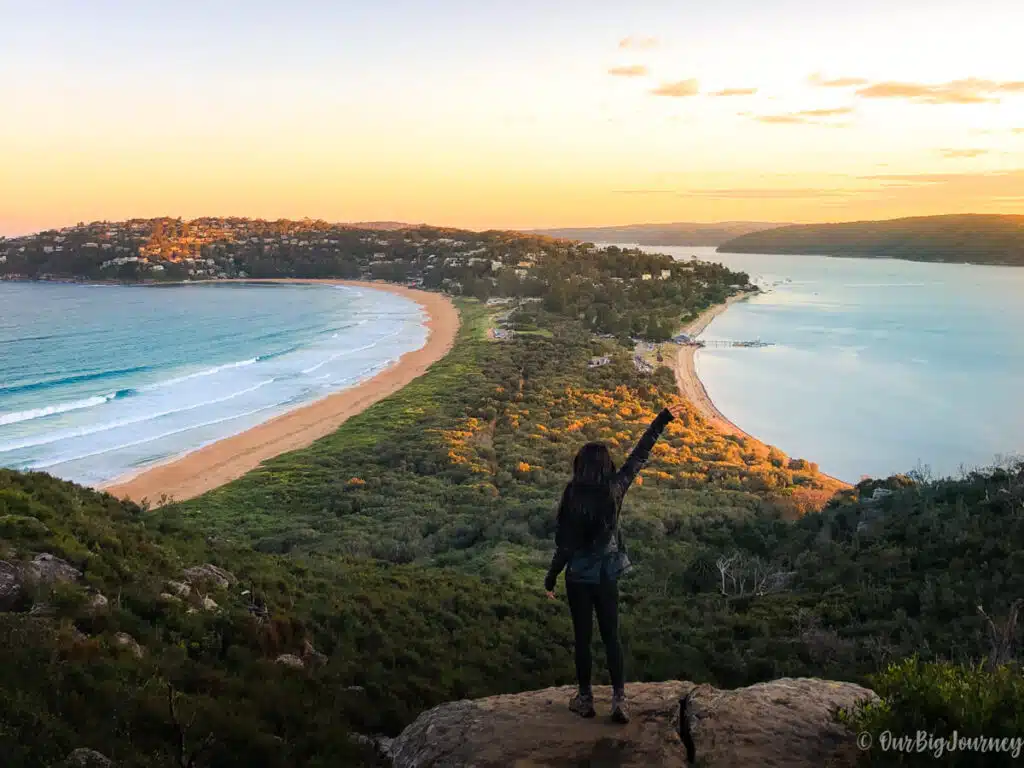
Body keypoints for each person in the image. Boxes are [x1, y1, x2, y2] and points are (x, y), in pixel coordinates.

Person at [544, 402, 684, 723]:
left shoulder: (572, 494)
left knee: (582, 638)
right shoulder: (615, 490)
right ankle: (619, 700)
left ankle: (585, 698)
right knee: (611, 636)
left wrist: (551, 577)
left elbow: (564, 545)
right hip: (606, 575)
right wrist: (662, 418)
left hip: (577, 577)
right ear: (607, 466)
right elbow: (639, 455)